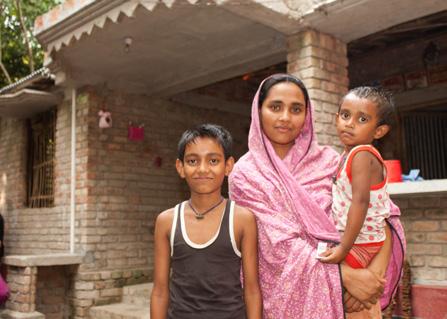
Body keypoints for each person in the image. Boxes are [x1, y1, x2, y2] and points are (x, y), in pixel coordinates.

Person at [229, 74, 405, 318]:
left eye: (296, 109)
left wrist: (372, 276)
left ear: (307, 115)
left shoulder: (332, 161)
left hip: (354, 298)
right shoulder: (245, 174)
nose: (285, 118)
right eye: (275, 107)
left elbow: (383, 216)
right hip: (283, 293)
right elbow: (276, 242)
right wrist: (345, 276)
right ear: (258, 112)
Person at [150, 124, 262, 319]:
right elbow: (160, 291)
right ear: (180, 167)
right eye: (193, 161)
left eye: (213, 160)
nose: (202, 169)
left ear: (228, 166)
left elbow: (252, 290)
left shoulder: (242, 220)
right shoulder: (167, 221)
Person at [319, 87, 396, 318]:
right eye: (345, 115)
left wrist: (343, 248)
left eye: (362, 119)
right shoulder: (346, 155)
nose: (350, 123)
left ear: (379, 130)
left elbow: (360, 203)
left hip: (361, 241)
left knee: (335, 281)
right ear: (336, 118)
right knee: (350, 293)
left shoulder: (362, 155)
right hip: (358, 238)